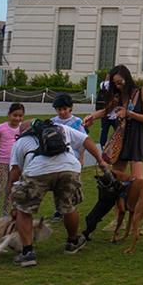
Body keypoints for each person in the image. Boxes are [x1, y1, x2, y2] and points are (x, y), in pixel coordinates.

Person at [10, 118, 112, 265]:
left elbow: (15, 172)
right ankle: (72, 242)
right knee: (68, 206)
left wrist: (13, 198)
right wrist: (100, 161)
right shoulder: (61, 128)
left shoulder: (20, 142)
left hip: (37, 171)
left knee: (24, 211)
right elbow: (86, 140)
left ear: (23, 131)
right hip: (69, 167)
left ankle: (28, 253)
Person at [81, 64, 143, 238]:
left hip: (136, 139)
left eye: (120, 82)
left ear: (127, 78)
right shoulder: (118, 95)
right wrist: (92, 116)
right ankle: (118, 219)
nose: (118, 85)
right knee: (115, 181)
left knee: (138, 182)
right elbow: (107, 110)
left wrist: (129, 114)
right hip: (120, 139)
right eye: (115, 83)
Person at [0, 102, 26, 227]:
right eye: (15, 115)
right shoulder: (1, 128)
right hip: (2, 163)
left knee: (10, 191)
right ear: (9, 115)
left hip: (15, 165)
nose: (17, 118)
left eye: (20, 116)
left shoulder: (22, 129)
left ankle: (5, 216)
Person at [49, 94, 87, 222]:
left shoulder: (77, 122)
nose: (62, 112)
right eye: (59, 109)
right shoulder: (53, 122)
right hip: (57, 158)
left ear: (70, 108)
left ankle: (68, 207)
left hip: (72, 158)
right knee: (57, 185)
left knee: (70, 185)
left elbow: (83, 141)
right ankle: (59, 209)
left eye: (64, 109)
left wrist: (81, 157)